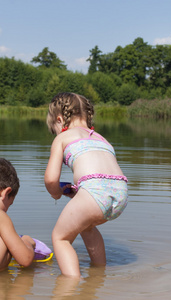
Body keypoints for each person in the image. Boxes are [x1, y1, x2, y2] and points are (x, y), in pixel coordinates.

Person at [45, 92, 128, 277]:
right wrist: (79, 192)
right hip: (120, 194)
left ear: (59, 119)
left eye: (54, 127)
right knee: (86, 226)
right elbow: (102, 175)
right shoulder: (101, 138)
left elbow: (51, 179)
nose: (55, 133)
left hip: (94, 192)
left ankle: (71, 286)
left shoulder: (62, 139)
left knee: (60, 238)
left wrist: (56, 193)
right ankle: (99, 272)